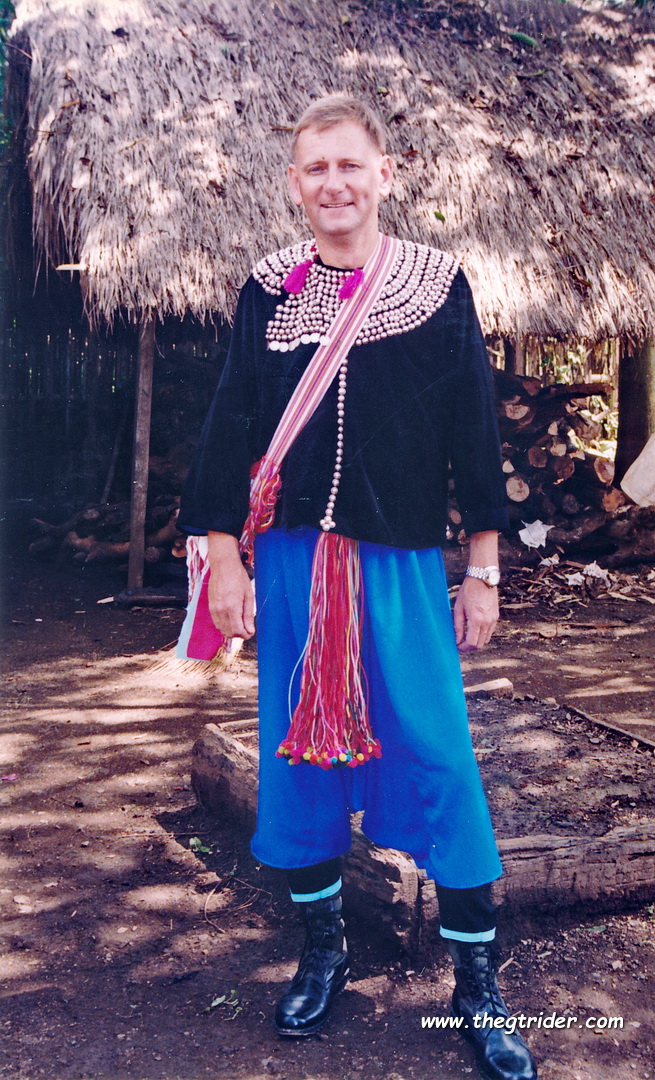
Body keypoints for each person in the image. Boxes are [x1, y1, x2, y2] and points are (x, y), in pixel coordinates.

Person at [179, 95, 537, 1080]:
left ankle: (475, 982)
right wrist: (220, 557)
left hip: (401, 567)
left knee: (436, 751)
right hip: (293, 567)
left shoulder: (435, 286)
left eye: (350, 165)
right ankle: (323, 950)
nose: (333, 183)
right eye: (314, 169)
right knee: (296, 762)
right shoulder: (268, 288)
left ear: (385, 174)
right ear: (294, 185)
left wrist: (483, 572)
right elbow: (228, 425)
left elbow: (474, 431)